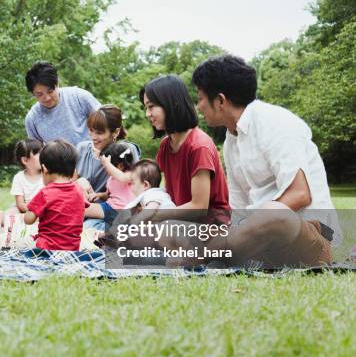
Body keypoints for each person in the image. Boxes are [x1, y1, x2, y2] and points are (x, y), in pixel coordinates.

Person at [187, 54, 341, 267]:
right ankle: (209, 257)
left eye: (200, 98)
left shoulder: (275, 122)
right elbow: (239, 209)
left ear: (220, 100)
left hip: (309, 238)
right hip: (262, 243)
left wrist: (242, 230)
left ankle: (205, 259)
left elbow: (300, 194)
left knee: (273, 214)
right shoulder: (232, 140)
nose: (198, 106)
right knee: (188, 229)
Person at [140, 74, 230, 224]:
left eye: (151, 107)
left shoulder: (199, 146)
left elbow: (199, 207)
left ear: (172, 103)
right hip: (180, 221)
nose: (147, 114)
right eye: (146, 108)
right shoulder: (166, 146)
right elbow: (167, 193)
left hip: (210, 225)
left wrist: (154, 216)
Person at [24, 140, 88, 250]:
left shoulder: (45, 193)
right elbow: (83, 206)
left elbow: (28, 220)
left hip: (46, 248)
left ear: (44, 169)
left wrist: (31, 206)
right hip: (72, 248)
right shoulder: (78, 190)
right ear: (73, 171)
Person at [24, 61, 101, 146]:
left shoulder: (79, 97)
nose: (47, 98)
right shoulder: (32, 119)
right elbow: (36, 152)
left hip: (93, 156)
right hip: (57, 159)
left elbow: (105, 124)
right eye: (39, 94)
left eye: (50, 91)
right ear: (33, 93)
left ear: (57, 83)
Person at [75, 104, 140, 197]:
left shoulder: (125, 150)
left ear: (116, 132)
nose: (93, 137)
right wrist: (78, 181)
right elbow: (66, 180)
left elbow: (137, 185)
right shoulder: (82, 148)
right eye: (91, 130)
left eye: (99, 133)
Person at [84, 142, 135, 227]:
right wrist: (99, 195)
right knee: (83, 210)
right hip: (110, 208)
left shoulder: (131, 174)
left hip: (121, 211)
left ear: (120, 166)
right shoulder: (111, 179)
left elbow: (123, 179)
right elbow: (108, 195)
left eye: (105, 166)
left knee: (84, 210)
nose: (105, 169)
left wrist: (107, 164)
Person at [10, 139, 44, 213]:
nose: (42, 156)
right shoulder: (18, 178)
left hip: (44, 209)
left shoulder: (47, 175)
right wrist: (33, 212)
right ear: (25, 160)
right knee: (11, 212)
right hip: (26, 210)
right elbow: (20, 204)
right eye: (37, 153)